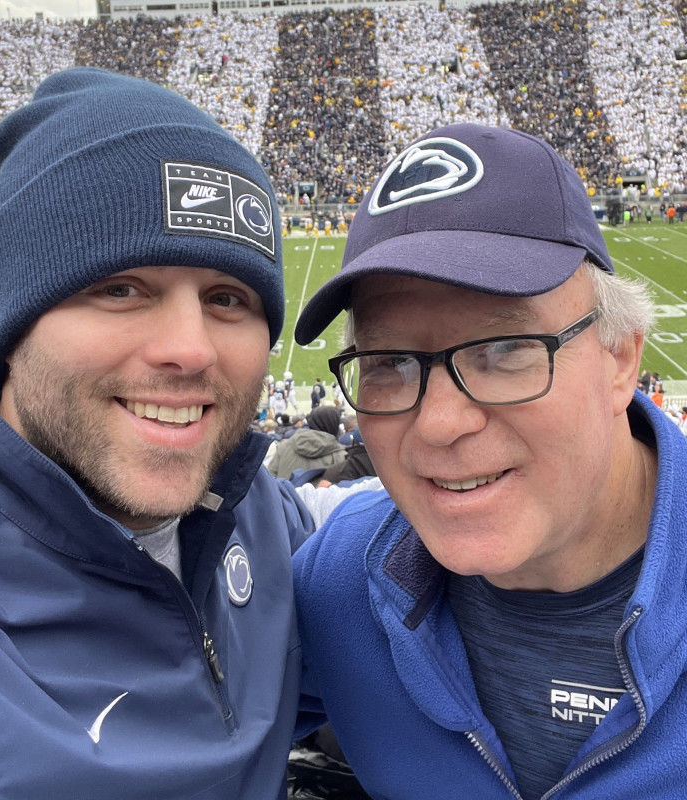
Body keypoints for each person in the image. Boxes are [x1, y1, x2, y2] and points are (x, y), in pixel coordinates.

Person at [0, 67, 332, 800]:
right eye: (120, 288)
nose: (190, 348)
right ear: (13, 325)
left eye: (228, 298)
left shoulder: (254, 514)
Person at [291, 124, 682, 799]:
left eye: (504, 350)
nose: (440, 424)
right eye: (388, 362)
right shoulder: (339, 581)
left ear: (621, 358)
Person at [267, 405, 346, 481]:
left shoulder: (283, 447)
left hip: (284, 490)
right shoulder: (341, 456)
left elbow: (269, 478)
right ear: (335, 425)